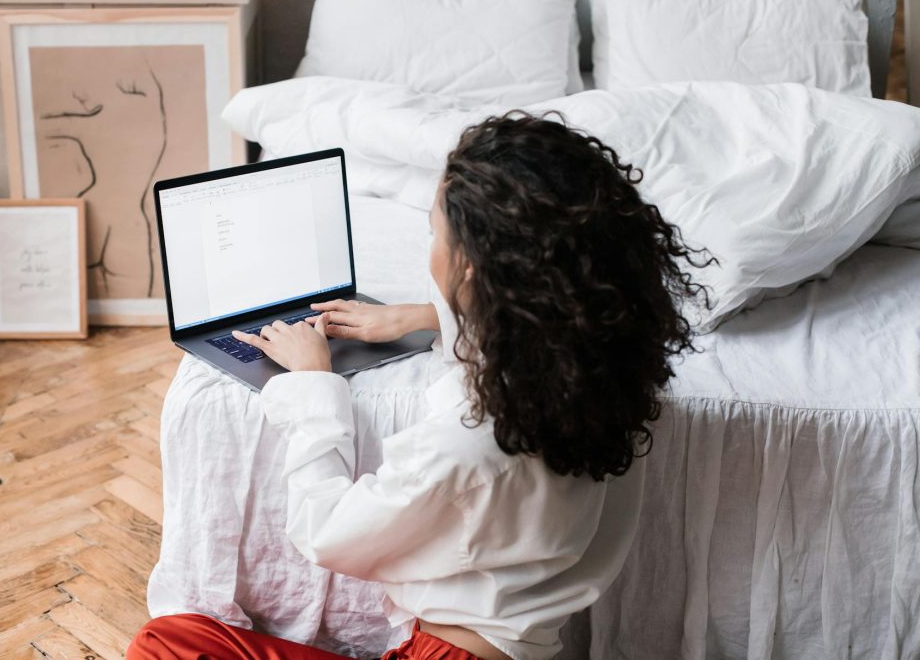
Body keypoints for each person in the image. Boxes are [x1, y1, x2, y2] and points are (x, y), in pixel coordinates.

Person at [126, 111, 713, 660]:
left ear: (472, 269)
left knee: (166, 644)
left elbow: (329, 534)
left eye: (435, 235)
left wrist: (312, 384)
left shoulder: (475, 439)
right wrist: (422, 316)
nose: (430, 251)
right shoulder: (604, 363)